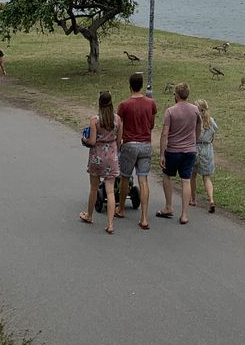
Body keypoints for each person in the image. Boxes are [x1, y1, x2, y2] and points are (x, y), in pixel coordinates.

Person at [116, 72, 157, 229]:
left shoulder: (124, 105)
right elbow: (152, 124)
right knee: (143, 180)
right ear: (141, 85)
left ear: (130, 85)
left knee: (125, 177)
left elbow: (119, 125)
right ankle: (144, 217)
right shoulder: (150, 103)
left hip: (130, 144)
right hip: (145, 144)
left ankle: (120, 208)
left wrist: (118, 143)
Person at [157, 82, 201, 225]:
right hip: (190, 150)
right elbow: (198, 127)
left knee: (167, 175)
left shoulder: (170, 111)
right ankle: (184, 214)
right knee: (186, 180)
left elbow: (164, 133)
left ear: (176, 95)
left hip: (174, 150)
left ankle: (169, 206)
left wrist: (162, 153)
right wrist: (195, 140)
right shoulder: (195, 110)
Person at [79, 91, 122, 234]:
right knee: (110, 191)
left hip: (97, 156)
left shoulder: (95, 120)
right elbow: (119, 140)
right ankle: (110, 224)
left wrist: (84, 141)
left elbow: (92, 141)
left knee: (94, 187)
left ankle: (89, 215)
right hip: (111, 155)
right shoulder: (117, 119)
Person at [190, 98, 218, 213]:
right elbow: (213, 135)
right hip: (207, 148)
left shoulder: (194, 121)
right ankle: (211, 199)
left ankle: (193, 198)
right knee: (206, 177)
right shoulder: (211, 121)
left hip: (195, 148)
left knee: (193, 175)